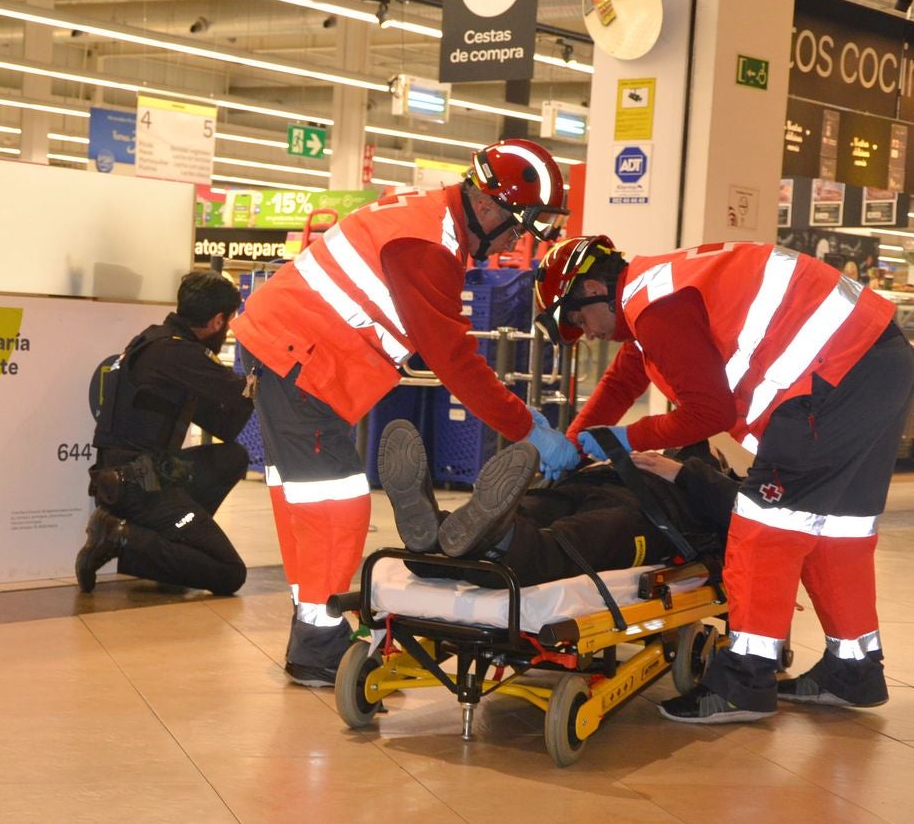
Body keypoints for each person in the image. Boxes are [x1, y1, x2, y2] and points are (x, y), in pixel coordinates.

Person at [230, 138, 581, 686]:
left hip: (291, 353)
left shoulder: (427, 221)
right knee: (337, 501)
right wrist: (527, 427)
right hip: (303, 359)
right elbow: (454, 360)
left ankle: (314, 624)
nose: (517, 239)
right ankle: (317, 640)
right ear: (486, 206)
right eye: (518, 225)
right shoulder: (424, 245)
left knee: (303, 499)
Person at [533, 235, 914, 723]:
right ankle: (853, 670)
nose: (584, 333)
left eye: (578, 319)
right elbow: (623, 381)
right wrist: (576, 440)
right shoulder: (655, 292)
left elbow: (707, 412)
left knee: (763, 529)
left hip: (832, 377)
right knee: (838, 531)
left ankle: (743, 682)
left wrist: (625, 439)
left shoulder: (658, 308)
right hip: (877, 359)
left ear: (592, 288)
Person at [376, 419, 735, 589]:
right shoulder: (653, 432)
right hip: (589, 480)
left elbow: (741, 513)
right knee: (519, 512)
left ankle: (446, 548)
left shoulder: (718, 474)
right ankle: (438, 534)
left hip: (651, 514)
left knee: (572, 540)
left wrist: (685, 474)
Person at [77, 270, 254, 596]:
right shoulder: (178, 352)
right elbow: (240, 391)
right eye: (228, 322)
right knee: (230, 573)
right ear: (217, 321)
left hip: (141, 474)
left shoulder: (157, 342)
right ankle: (120, 535)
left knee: (231, 457)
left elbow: (225, 425)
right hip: (139, 483)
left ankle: (166, 550)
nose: (227, 330)